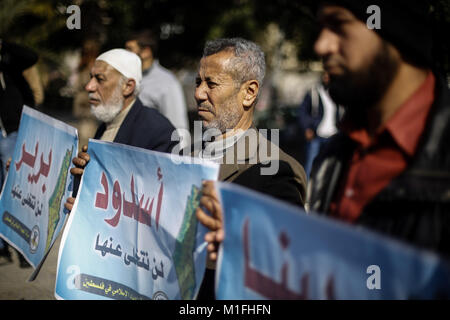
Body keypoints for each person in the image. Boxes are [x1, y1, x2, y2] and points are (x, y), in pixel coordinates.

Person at [307, 1, 450, 258]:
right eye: (321, 28)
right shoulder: (336, 154)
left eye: (339, 24)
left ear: (390, 28)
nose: (321, 45)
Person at [193, 38, 307, 299]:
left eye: (211, 83)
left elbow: (283, 267)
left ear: (249, 92)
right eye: (198, 82)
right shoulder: (183, 157)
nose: (199, 93)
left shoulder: (277, 170)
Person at [64, 48, 177, 211]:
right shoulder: (108, 122)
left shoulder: (158, 132)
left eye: (99, 79)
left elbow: (153, 206)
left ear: (128, 87)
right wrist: (83, 176)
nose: (89, 87)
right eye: (91, 78)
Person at [0, 39, 39, 267]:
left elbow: (31, 56)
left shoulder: (9, 65)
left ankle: (23, 248)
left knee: (18, 191)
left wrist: (4, 45)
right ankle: (3, 248)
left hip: (13, 135)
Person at [125, 30, 189, 132]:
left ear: (146, 51)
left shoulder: (167, 82)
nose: (125, 54)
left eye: (130, 49)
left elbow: (178, 128)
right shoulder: (124, 78)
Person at [297, 72, 342, 177]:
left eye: (329, 76)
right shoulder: (314, 93)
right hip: (316, 136)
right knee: (310, 165)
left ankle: (323, 192)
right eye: (324, 76)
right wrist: (307, 128)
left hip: (333, 136)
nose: (326, 78)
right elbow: (302, 112)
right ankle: (305, 191)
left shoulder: (337, 94)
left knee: (329, 168)